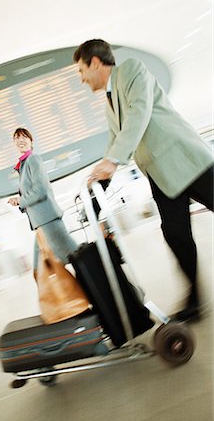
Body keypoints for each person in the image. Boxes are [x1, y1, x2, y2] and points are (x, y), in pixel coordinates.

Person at [73, 39, 213, 322]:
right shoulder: (109, 105)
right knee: (175, 234)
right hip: (161, 176)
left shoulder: (132, 71)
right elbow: (115, 142)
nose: (82, 79)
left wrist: (113, 160)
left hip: (185, 160)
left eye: (81, 70)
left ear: (96, 62)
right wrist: (100, 178)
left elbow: (139, 113)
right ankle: (195, 301)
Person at [8, 127, 78, 278]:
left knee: (77, 259)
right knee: (42, 270)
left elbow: (40, 190)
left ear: (31, 141)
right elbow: (31, 192)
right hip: (42, 223)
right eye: (16, 138)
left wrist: (21, 200)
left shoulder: (33, 159)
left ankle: (105, 286)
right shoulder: (24, 165)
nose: (20, 140)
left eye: (23, 137)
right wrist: (19, 202)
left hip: (48, 222)